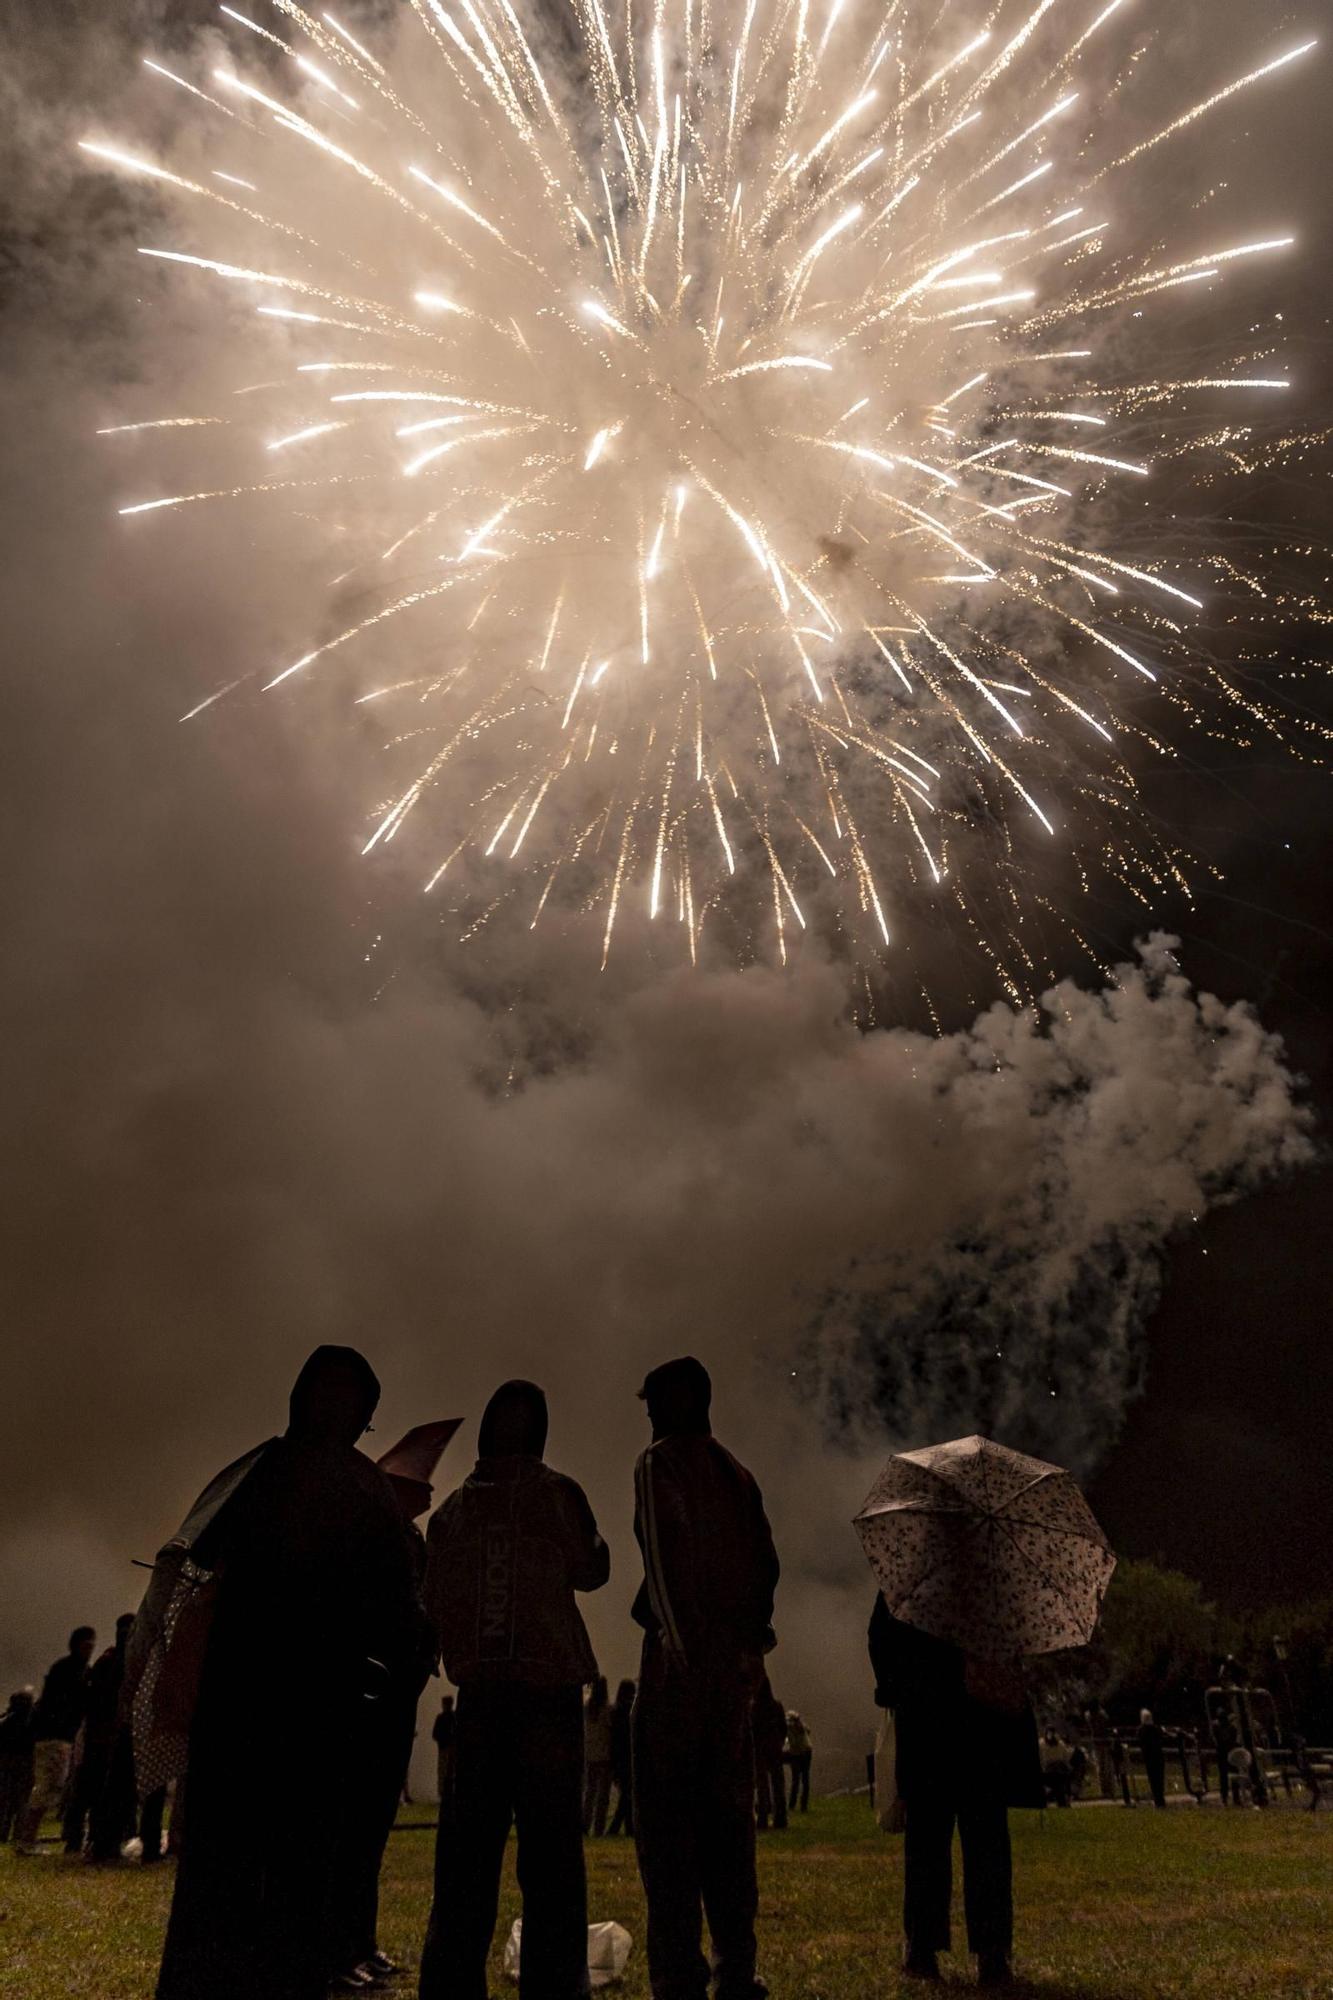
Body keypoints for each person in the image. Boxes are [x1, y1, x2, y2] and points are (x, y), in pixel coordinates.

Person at [154, 1345, 424, 2000]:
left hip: (304, 1707)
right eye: (326, 1391)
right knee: (245, 1869)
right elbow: (203, 1558)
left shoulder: (335, 1485)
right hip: (264, 1703)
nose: (333, 1406)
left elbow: (397, 1606)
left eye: (345, 1395)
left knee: (282, 1872)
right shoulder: (289, 1474)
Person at [420, 1379, 609, 2000]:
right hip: (545, 1695)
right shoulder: (557, 1494)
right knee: (551, 1856)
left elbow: (433, 1596)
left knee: (466, 1858)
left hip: (484, 1695)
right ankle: (556, 1986)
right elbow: (592, 1570)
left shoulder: (455, 1508)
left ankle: (451, 1985)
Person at [631, 1355, 779, 2000]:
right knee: (728, 1823)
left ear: (682, 1400)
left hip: (679, 1668)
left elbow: (662, 1555)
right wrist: (750, 1649)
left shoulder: (658, 1462)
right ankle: (736, 1969)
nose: (650, 1415)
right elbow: (765, 1565)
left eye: (655, 1402)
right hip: (731, 1667)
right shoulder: (737, 1471)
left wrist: (681, 1644)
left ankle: (677, 1974)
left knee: (667, 1827)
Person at [869, 1599, 1044, 1988]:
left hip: (927, 1725)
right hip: (984, 1730)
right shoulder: (994, 1583)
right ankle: (992, 1953)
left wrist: (894, 1689)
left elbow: (879, 1637)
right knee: (988, 1846)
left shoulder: (913, 1579)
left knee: (927, 1844)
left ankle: (921, 1949)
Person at [331, 1443, 443, 1994]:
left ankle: (361, 1941)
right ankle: (339, 1947)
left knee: (372, 1829)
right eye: (418, 1486)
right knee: (354, 1828)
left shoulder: (410, 1541)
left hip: (398, 1691)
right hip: (373, 1693)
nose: (427, 1492)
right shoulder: (375, 1541)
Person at [13, 1626, 95, 1854]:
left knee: (50, 1785)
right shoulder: (71, 1671)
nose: (88, 1651)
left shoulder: (66, 1669)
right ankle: (27, 1839)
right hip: (55, 1736)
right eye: (86, 1646)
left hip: (56, 1735)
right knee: (49, 1786)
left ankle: (27, 1837)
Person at [63, 1613, 135, 1857]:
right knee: (100, 1791)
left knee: (92, 1792)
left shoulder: (109, 1660)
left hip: (103, 1733)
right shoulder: (119, 1660)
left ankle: (87, 1838)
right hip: (108, 1733)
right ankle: (95, 1838)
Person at [752, 1679, 788, 1832]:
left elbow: (751, 1729)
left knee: (762, 1785)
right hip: (775, 1748)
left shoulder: (754, 1708)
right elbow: (783, 1727)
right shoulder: (777, 1706)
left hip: (760, 1749)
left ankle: (762, 1819)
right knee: (778, 1783)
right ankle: (781, 1818)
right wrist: (779, 1742)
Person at [0, 1689, 36, 1843]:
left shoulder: (6, 1722)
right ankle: (19, 1834)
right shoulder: (33, 1721)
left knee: (4, 1800)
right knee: (23, 1800)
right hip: (27, 1762)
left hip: (6, 1762)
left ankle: (2, 1833)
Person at [584, 1677, 614, 1836]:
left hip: (590, 1755)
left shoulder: (587, 1709)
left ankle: (585, 1824)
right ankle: (598, 1828)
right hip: (604, 1756)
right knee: (603, 1796)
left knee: (589, 1793)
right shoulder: (607, 1710)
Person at [608, 1680, 635, 1837]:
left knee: (626, 1795)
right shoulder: (628, 1711)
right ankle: (620, 1827)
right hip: (628, 1757)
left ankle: (623, 1827)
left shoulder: (615, 1712)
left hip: (618, 1759)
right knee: (627, 1796)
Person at [1137, 1709, 1168, 1810]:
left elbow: (1139, 1740)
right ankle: (1161, 1800)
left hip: (1149, 1757)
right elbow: (1162, 1737)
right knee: (1160, 1779)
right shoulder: (1156, 1729)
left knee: (1153, 1779)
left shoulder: (1141, 1730)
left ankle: (1157, 1800)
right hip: (1158, 1756)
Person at [1039, 1729, 1073, 1808]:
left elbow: (1065, 1757)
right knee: (1058, 1787)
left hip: (1051, 1770)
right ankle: (1061, 1801)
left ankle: (1058, 1800)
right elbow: (1066, 1757)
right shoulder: (1060, 1743)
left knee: (1057, 1787)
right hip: (1056, 1769)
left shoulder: (1042, 1743)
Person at [785, 1712, 812, 1813]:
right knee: (805, 1779)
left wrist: (787, 1752)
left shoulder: (790, 1729)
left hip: (797, 1754)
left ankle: (792, 1804)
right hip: (807, 1751)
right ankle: (803, 1806)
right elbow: (809, 1731)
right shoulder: (802, 1727)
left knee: (796, 1779)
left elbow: (794, 1744)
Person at [433, 1695, 456, 1804]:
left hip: (445, 1748)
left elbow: (435, 1734)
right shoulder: (454, 1717)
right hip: (450, 1748)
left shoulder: (442, 1718)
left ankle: (443, 1794)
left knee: (443, 1771)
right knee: (448, 1771)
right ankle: (447, 1794)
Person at [1213, 1711, 1238, 1805]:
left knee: (1230, 1776)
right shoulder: (1226, 1728)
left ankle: (1233, 1797)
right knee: (1226, 1776)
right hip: (1225, 1752)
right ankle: (1227, 1797)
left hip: (1228, 1752)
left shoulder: (1230, 1728)